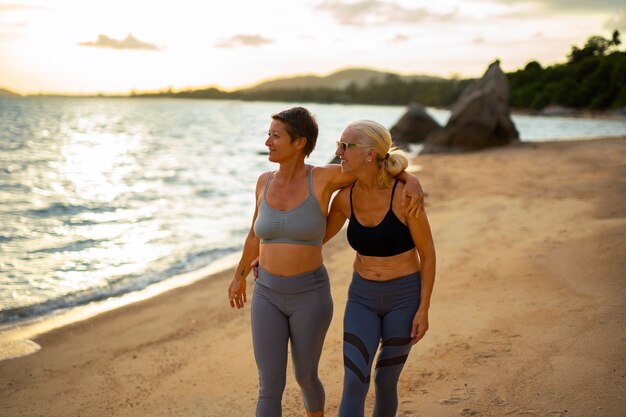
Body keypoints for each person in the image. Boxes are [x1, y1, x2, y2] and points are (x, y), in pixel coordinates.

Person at [227, 107, 424, 417]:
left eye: (275, 135)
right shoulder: (263, 181)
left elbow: (373, 165)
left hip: (309, 294)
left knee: (306, 377)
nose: (267, 141)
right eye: (268, 134)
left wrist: (408, 179)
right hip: (266, 292)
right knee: (269, 386)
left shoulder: (324, 178)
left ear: (299, 142)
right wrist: (239, 274)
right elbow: (255, 235)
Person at [323, 120, 436, 417]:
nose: (339, 152)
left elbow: (428, 254)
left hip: (404, 298)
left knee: (386, 380)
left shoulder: (404, 196)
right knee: (354, 381)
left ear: (371, 154)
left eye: (346, 146)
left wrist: (423, 308)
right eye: (339, 144)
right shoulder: (344, 197)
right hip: (362, 297)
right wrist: (269, 254)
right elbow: (316, 239)